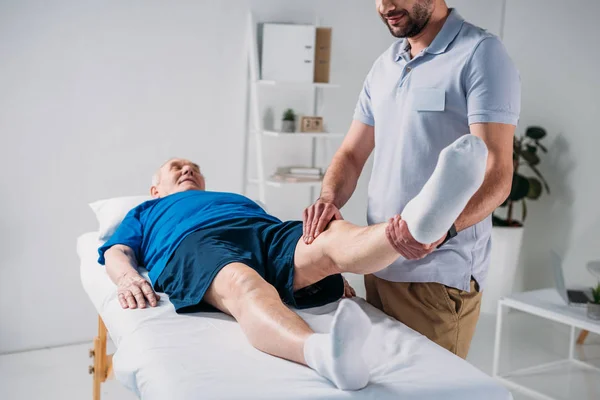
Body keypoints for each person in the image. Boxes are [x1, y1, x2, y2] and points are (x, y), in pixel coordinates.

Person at [99, 136, 487, 390]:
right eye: (176, 167)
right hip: (195, 242)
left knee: (327, 240)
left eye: (193, 167)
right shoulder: (147, 210)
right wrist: (127, 278)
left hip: (261, 229)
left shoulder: (233, 196)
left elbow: (311, 244)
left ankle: (413, 227)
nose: (188, 169)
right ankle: (324, 354)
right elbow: (118, 252)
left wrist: (330, 269)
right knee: (246, 285)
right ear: (155, 189)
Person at [302, 0, 520, 359]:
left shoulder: (480, 53)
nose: (385, 5)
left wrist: (441, 231)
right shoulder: (385, 65)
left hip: (436, 274)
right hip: (377, 261)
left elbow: (497, 175)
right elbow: (352, 154)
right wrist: (328, 199)